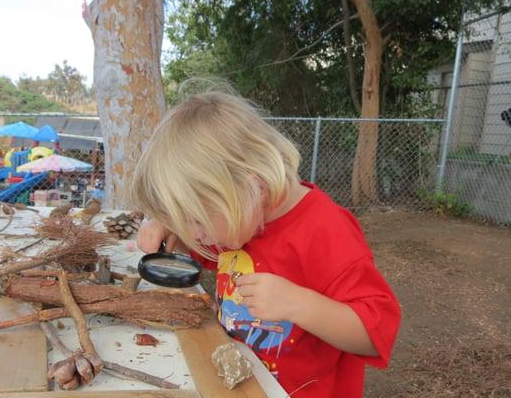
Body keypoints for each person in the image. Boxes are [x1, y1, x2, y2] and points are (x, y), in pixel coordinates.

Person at [131, 89, 401, 397]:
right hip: (244, 383)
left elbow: (375, 332)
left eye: (195, 221)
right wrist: (170, 230)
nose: (197, 236)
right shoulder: (241, 220)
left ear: (248, 187)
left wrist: (298, 303)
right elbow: (212, 254)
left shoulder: (326, 230)